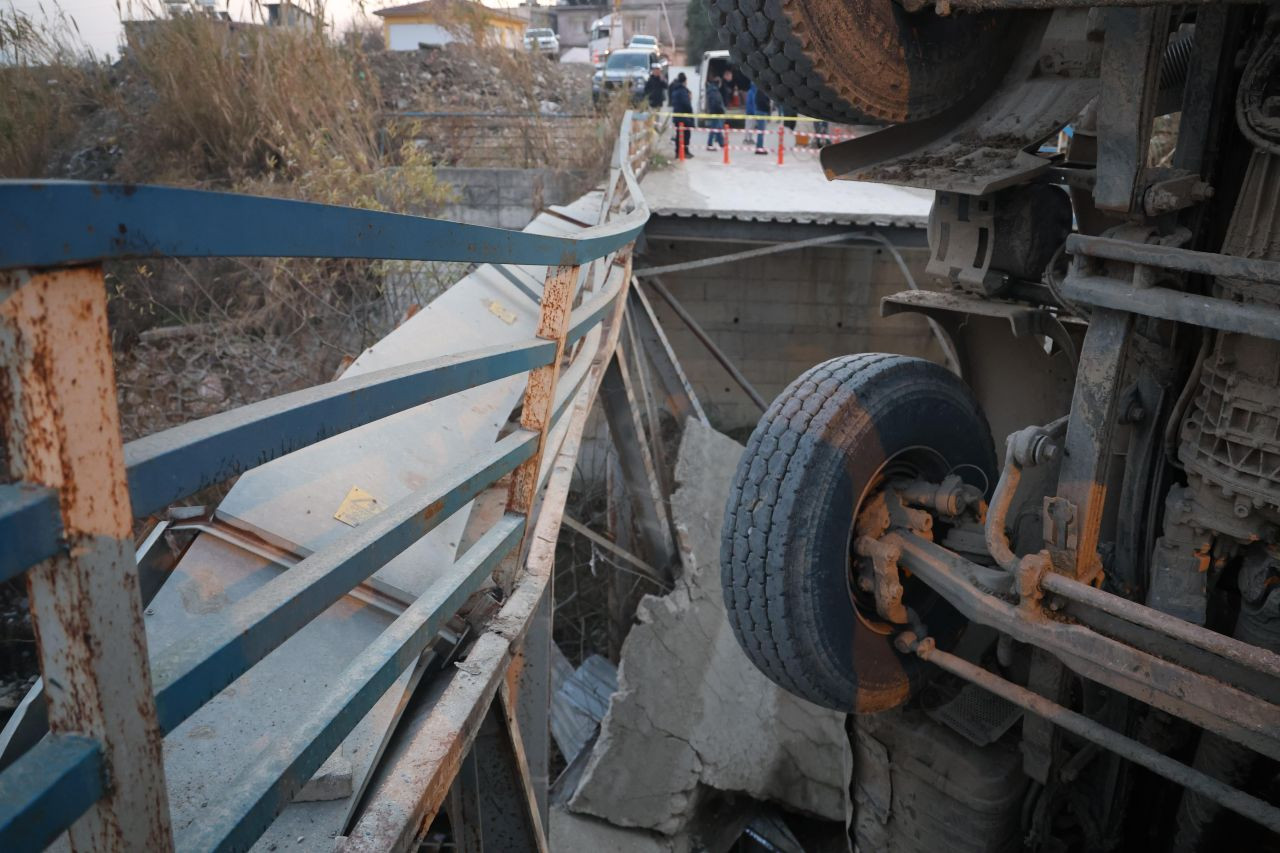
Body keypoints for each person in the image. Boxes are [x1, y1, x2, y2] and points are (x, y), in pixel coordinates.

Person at [668, 72, 693, 157]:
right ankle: (683, 152)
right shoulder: (682, 91)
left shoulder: (675, 89)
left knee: (679, 134)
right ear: (685, 81)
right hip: (684, 116)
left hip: (677, 116)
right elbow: (686, 104)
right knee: (685, 134)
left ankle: (679, 152)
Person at [704, 74, 726, 151]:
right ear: (718, 83)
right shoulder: (714, 91)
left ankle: (722, 143)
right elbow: (716, 103)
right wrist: (721, 110)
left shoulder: (712, 90)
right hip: (715, 112)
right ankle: (709, 144)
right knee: (714, 129)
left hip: (714, 112)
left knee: (718, 128)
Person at [751, 83, 772, 153]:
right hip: (761, 112)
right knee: (761, 131)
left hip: (760, 111)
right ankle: (759, 148)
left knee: (761, 131)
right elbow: (762, 102)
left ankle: (759, 146)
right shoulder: (762, 91)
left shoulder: (760, 91)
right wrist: (768, 108)